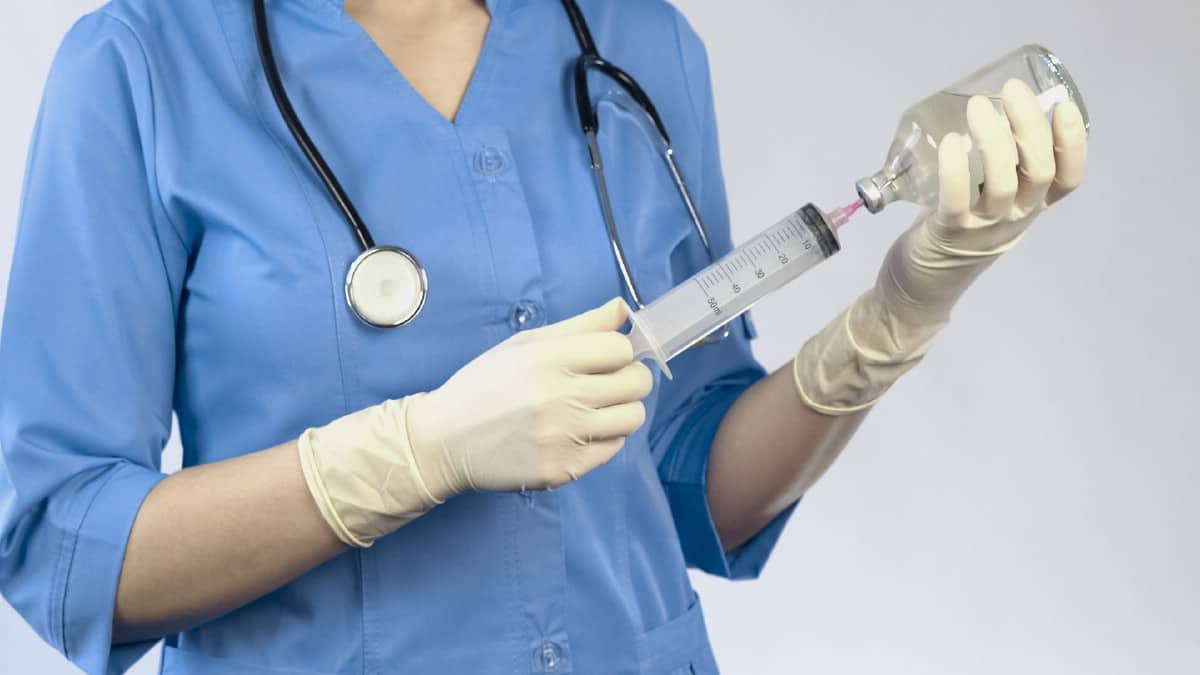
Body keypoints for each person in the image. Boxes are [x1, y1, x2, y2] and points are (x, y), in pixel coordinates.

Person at [0, 0, 1088, 673]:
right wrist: (408, 454)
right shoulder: (142, 61)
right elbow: (67, 547)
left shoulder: (634, 41)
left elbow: (693, 492)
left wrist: (897, 317)